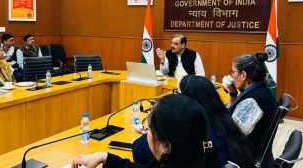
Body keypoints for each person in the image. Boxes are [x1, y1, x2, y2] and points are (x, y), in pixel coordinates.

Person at [132, 76, 254, 168]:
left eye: (178, 93)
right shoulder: (223, 122)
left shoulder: (191, 133)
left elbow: (139, 151)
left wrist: (156, 124)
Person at [72, 94, 213, 168]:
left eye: (149, 128)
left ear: (165, 146)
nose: (146, 132)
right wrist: (104, 157)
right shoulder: (191, 157)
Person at [226, 52, 277, 167]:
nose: (231, 76)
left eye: (233, 72)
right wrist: (233, 93)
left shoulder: (253, 102)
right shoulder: (260, 91)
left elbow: (230, 133)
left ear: (243, 75)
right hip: (249, 149)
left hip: (243, 157)